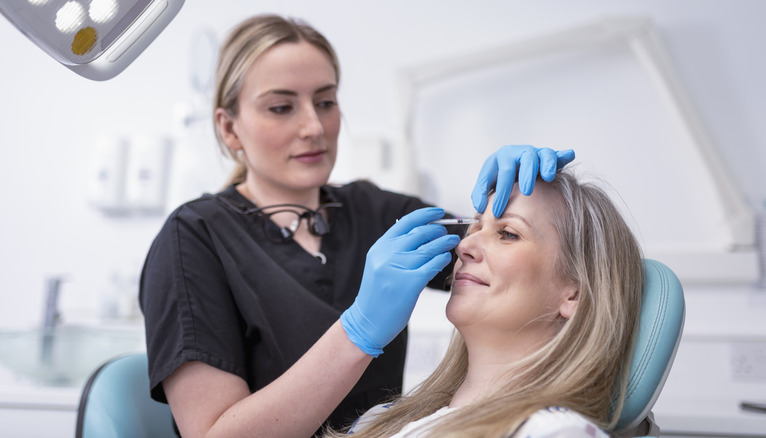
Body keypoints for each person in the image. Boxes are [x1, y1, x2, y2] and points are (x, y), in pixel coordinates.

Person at [139, 13, 573, 438]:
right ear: (229, 128)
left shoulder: (378, 213)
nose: (313, 126)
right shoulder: (194, 239)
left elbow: (502, 257)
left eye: (325, 102)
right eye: (281, 107)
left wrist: (513, 197)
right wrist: (358, 332)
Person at [329, 169, 644, 438]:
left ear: (574, 293)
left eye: (507, 234)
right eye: (475, 227)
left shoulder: (553, 431)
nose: (464, 244)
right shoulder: (381, 418)